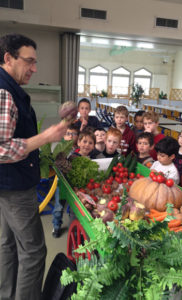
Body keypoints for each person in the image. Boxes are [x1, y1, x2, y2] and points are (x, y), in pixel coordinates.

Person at [0, 34, 69, 300]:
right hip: (15, 187)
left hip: (8, 185)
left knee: (8, 244)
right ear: (8, 58)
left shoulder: (8, 88)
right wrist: (45, 138)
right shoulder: (5, 93)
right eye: (29, 61)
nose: (34, 68)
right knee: (34, 251)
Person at [52, 123, 79, 238]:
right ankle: (56, 226)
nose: (71, 136)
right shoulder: (61, 148)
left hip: (74, 184)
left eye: (74, 134)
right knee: (59, 207)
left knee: (75, 208)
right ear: (64, 136)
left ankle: (74, 226)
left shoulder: (79, 148)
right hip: (61, 184)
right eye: (68, 134)